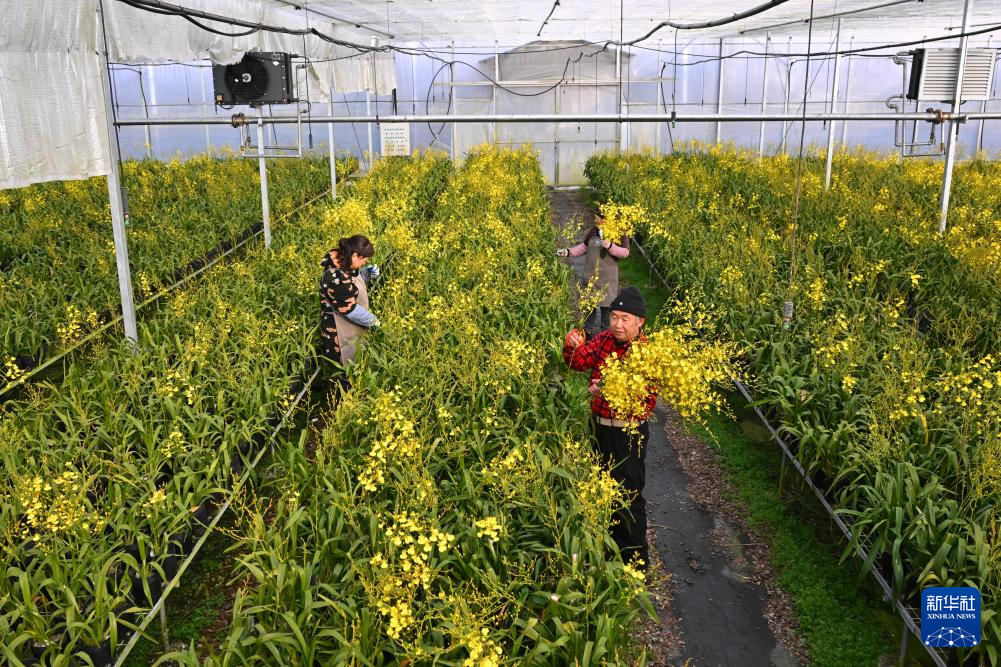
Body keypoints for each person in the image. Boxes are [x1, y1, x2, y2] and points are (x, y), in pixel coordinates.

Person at [563, 286, 656, 569]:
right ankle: (606, 552)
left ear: (640, 322)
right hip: (600, 428)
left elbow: (645, 401)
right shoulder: (604, 340)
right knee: (601, 488)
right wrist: (572, 344)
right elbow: (579, 362)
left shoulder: (647, 353)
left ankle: (634, 563)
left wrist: (608, 391)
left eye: (625, 319)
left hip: (628, 433)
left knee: (628, 495)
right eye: (614, 317)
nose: (617, 324)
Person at [557, 211, 630, 338]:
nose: (595, 221)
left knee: (606, 310)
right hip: (590, 278)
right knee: (589, 308)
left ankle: (606, 337)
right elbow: (583, 247)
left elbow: (625, 252)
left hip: (607, 280)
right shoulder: (594, 231)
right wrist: (567, 252)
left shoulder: (619, 232)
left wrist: (610, 245)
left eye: (597, 218)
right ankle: (587, 336)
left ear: (605, 219)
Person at [319, 235, 380, 384]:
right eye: (364, 260)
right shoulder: (333, 277)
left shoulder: (346, 263)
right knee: (346, 370)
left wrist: (366, 273)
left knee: (357, 362)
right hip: (339, 332)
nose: (365, 263)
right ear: (355, 255)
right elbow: (350, 310)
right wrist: (373, 321)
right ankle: (345, 393)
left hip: (352, 327)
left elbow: (352, 283)